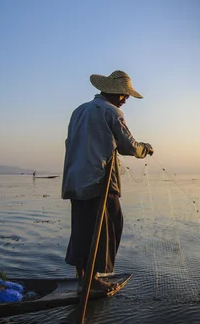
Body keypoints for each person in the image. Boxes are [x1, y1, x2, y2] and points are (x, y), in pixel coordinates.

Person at [61, 70, 153, 292]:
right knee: (108, 226)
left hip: (74, 180)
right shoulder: (111, 112)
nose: (126, 99)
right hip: (99, 180)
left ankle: (83, 277)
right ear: (112, 92)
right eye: (123, 94)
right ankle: (92, 280)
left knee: (82, 228)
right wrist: (145, 148)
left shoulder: (78, 111)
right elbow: (128, 146)